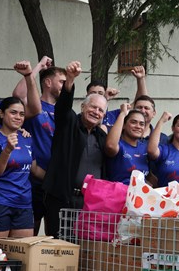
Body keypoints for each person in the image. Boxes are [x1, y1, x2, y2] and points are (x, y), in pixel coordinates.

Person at [42, 61, 109, 237]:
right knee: (59, 249)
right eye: (93, 107)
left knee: (85, 250)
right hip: (62, 198)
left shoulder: (102, 138)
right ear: (83, 107)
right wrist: (70, 80)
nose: (96, 112)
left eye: (101, 110)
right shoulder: (69, 123)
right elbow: (63, 107)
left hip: (89, 203)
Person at [0, 96, 36, 240]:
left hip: (24, 204)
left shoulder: (26, 137)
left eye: (22, 114)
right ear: (1, 113)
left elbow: (34, 168)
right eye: (13, 112)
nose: (18, 117)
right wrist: (7, 150)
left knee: (22, 260)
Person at [24, 64, 66, 232]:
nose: (65, 86)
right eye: (61, 81)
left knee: (54, 232)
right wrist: (31, 72)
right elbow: (18, 94)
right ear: (48, 82)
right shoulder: (32, 108)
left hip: (55, 183)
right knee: (31, 228)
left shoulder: (63, 111)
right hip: (34, 181)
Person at [104, 103, 149, 184]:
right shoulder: (118, 145)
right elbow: (110, 146)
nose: (138, 126)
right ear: (123, 125)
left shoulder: (146, 148)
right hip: (118, 194)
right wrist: (123, 114)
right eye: (133, 122)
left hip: (141, 195)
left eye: (141, 124)